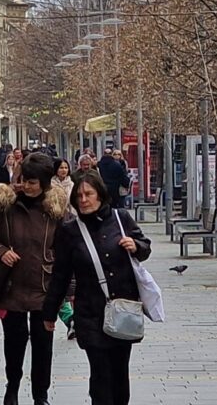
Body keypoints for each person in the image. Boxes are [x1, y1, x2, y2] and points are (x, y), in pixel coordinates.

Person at [43, 171, 151, 405]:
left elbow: (145, 247)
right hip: (90, 313)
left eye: (88, 194)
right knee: (100, 373)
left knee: (120, 373)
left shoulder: (121, 219)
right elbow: (60, 275)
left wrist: (136, 246)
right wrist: (50, 312)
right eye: (79, 195)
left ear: (100, 195)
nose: (83, 199)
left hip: (122, 310)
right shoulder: (69, 231)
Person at [0, 154, 67, 405]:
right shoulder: (4, 203)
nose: (26, 186)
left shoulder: (57, 209)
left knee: (43, 344)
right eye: (24, 180)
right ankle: (12, 387)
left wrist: (67, 290)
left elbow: (67, 249)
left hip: (44, 285)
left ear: (46, 183)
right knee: (14, 343)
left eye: (32, 182)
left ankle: (41, 395)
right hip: (10, 285)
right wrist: (1, 252)